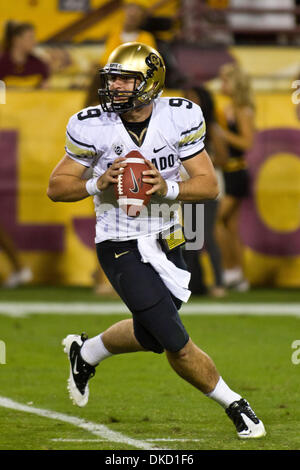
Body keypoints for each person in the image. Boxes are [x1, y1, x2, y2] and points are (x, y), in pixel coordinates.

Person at [47, 42, 266, 439]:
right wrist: (97, 183)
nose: (114, 86)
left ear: (150, 82)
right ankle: (235, 404)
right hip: (119, 239)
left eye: (125, 79)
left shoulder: (179, 116)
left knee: (150, 331)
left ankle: (87, 352)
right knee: (174, 341)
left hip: (168, 233)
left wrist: (163, 188)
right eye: (112, 78)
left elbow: (207, 185)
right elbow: (57, 187)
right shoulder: (91, 124)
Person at [182, 86, 226, 298]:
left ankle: (219, 283)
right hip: (189, 188)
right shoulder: (183, 127)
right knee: (191, 238)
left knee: (207, 234)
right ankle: (195, 284)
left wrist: (199, 166)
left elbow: (224, 159)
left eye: (192, 97)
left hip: (208, 189)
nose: (188, 101)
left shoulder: (212, 127)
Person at [215, 63, 255, 291]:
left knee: (215, 220)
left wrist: (223, 133)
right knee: (231, 227)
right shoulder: (231, 107)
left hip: (237, 171)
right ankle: (239, 276)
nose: (222, 85)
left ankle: (231, 271)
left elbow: (248, 143)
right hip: (229, 170)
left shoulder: (242, 109)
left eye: (225, 81)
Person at [0, 21, 50, 88]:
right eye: (30, 37)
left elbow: (46, 90)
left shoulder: (39, 64)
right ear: (16, 40)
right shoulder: (2, 63)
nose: (34, 41)